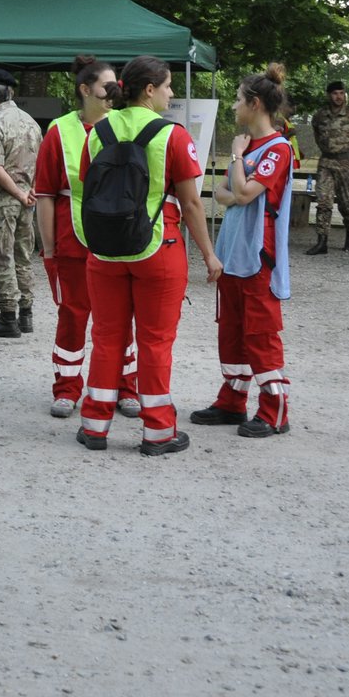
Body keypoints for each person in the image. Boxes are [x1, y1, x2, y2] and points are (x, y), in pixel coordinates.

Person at [77, 55, 221, 455]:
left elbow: (89, 187)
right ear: (151, 89)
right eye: (169, 86)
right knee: (155, 342)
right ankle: (158, 432)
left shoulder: (98, 130)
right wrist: (209, 254)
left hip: (105, 251)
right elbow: (191, 204)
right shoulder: (172, 136)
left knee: (106, 338)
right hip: (157, 247)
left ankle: (94, 427)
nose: (172, 94)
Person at [32, 56, 141, 420]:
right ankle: (66, 388)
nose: (114, 93)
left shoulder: (125, 126)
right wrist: (48, 248)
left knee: (120, 318)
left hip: (118, 239)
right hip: (72, 240)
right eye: (107, 87)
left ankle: (126, 387)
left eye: (118, 88)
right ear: (85, 90)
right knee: (73, 315)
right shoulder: (59, 131)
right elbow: (45, 193)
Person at [192, 64, 295, 437]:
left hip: (257, 256)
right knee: (231, 332)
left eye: (238, 100)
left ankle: (274, 410)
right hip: (232, 254)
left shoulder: (276, 149)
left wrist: (237, 162)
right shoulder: (250, 147)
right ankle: (232, 401)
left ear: (254, 104)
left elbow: (245, 193)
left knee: (261, 333)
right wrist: (237, 186)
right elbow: (222, 193)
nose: (234, 106)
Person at [0, 68, 42, 338]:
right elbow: (40, 162)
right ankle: (26, 314)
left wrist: (16, 193)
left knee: (1, 257)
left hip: (2, 201)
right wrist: (29, 192)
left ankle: (7, 317)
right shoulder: (31, 123)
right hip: (27, 199)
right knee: (23, 257)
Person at [306, 81, 349, 254]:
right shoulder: (320, 115)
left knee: (346, 203)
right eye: (335, 93)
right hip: (326, 163)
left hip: (347, 164)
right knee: (323, 201)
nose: (338, 97)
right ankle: (322, 241)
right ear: (329, 95)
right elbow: (317, 134)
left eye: (341, 93)